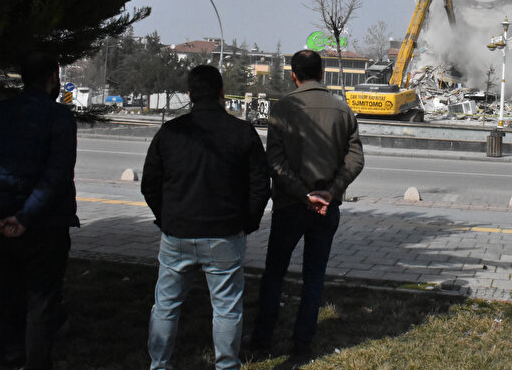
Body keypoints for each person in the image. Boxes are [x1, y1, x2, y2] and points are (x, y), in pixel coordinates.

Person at [141, 65, 270, 370]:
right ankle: (226, 365)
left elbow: (150, 184)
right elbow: (260, 186)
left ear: (190, 95)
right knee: (226, 307)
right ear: (222, 93)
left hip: (177, 232)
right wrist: (247, 222)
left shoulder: (170, 132)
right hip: (226, 232)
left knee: (167, 305)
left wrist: (166, 218)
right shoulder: (243, 132)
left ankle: (159, 364)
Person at [249, 49, 364, 358]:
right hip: (327, 208)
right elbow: (356, 158)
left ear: (293, 75)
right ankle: (303, 344)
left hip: (289, 206)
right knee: (314, 276)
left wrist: (302, 194)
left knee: (275, 273)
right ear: (322, 74)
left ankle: (262, 340)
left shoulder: (283, 108)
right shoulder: (342, 110)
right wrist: (331, 190)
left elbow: (275, 160)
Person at [0, 52, 78, 370]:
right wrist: (26, 217)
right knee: (41, 303)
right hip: (44, 226)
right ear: (53, 77)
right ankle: (34, 361)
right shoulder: (59, 118)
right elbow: (57, 175)